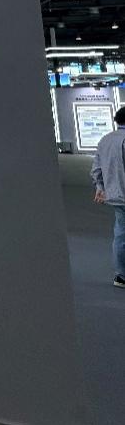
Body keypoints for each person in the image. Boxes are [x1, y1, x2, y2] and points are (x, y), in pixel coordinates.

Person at [92, 107, 125, 289]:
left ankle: (121, 275)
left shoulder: (105, 140)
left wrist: (100, 188)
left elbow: (96, 169)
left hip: (115, 195)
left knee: (120, 234)